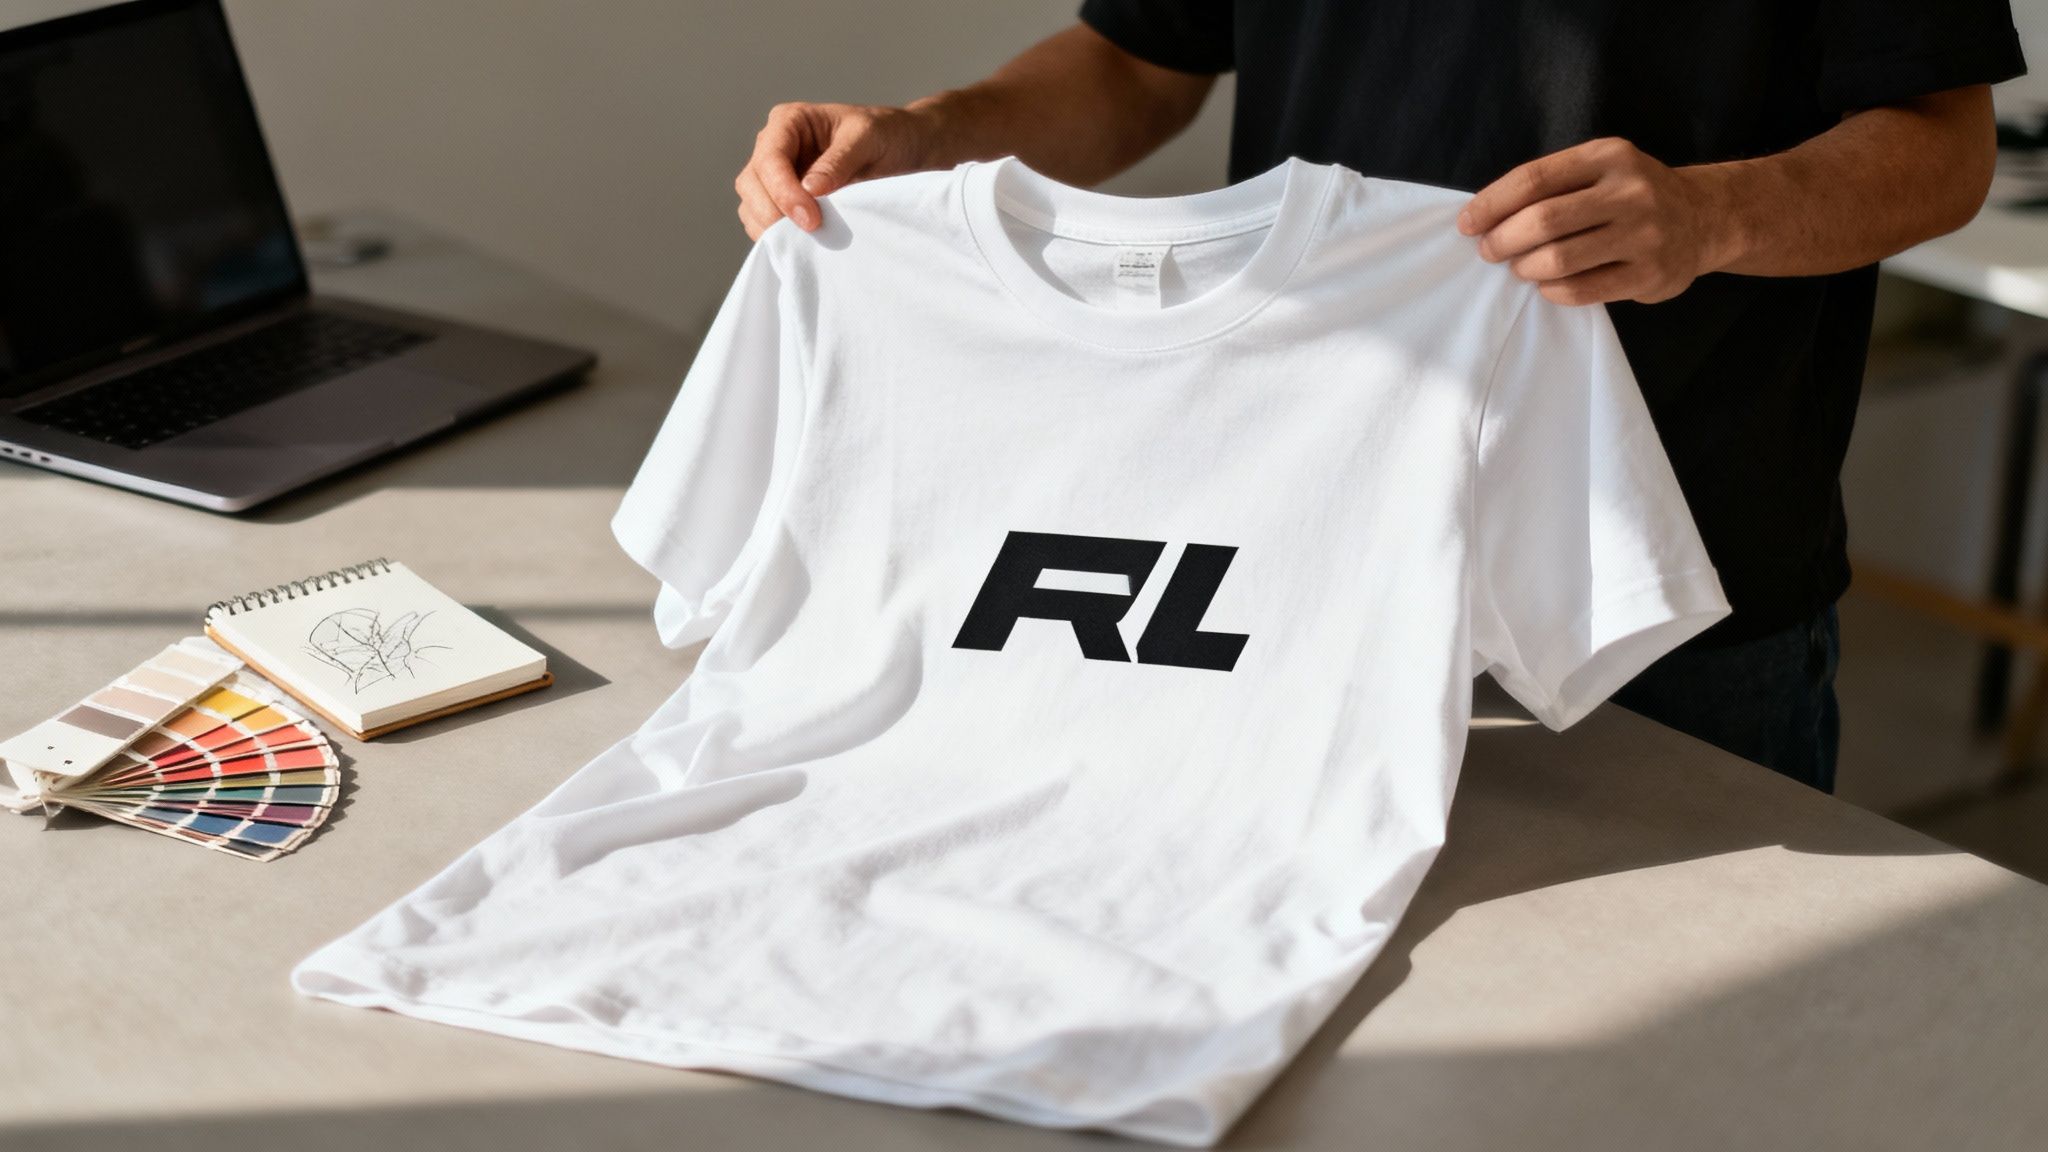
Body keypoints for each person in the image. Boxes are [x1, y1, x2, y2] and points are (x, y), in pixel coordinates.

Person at [732, 2, 2027, 793]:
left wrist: (1711, 213)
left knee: (1696, 1076)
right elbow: (1139, 62)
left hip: (1671, 579)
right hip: (1306, 549)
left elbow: (1940, 143)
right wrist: (929, 134)